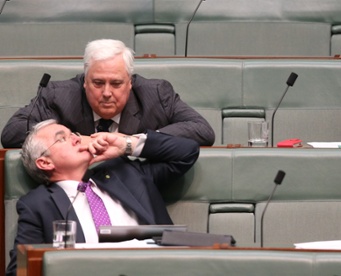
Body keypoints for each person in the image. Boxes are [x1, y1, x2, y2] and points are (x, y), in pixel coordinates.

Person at [5, 119, 200, 276]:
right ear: (44, 162)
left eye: (74, 134)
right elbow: (20, 270)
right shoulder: (38, 205)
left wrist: (126, 144)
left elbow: (187, 153)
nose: (76, 138)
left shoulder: (125, 173)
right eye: (62, 138)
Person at [1, 39, 215, 148]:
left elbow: (202, 130)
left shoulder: (156, 94)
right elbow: (12, 134)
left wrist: (132, 142)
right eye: (97, 82)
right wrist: (75, 140)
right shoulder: (59, 96)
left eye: (116, 83)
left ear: (130, 83)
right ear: (84, 81)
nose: (106, 92)